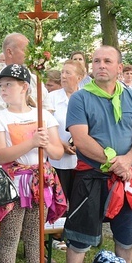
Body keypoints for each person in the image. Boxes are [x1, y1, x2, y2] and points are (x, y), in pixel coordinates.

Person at [64, 46, 132, 263]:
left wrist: (127, 162)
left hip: (126, 178)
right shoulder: (80, 98)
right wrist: (115, 162)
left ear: (119, 67)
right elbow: (80, 139)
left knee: (125, 235)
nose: (101, 65)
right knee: (80, 234)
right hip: (92, 176)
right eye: (97, 61)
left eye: (107, 61)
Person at [0, 64, 66, 263]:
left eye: (9, 84)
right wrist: (31, 142)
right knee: (10, 238)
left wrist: (45, 143)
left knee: (35, 237)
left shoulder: (44, 116)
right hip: (14, 183)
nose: (3, 89)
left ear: (24, 87)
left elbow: (57, 152)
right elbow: (0, 155)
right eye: (1, 85)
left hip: (40, 182)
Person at [0, 33, 51, 116]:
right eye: (26, 50)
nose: (30, 54)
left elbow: (48, 111)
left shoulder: (36, 80)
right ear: (10, 52)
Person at [48, 60, 85, 198]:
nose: (63, 76)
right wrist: (61, 143)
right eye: (62, 72)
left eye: (68, 73)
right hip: (57, 159)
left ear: (79, 78)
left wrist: (79, 145)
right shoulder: (51, 98)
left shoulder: (86, 97)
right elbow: (46, 126)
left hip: (81, 158)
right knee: (59, 202)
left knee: (78, 200)